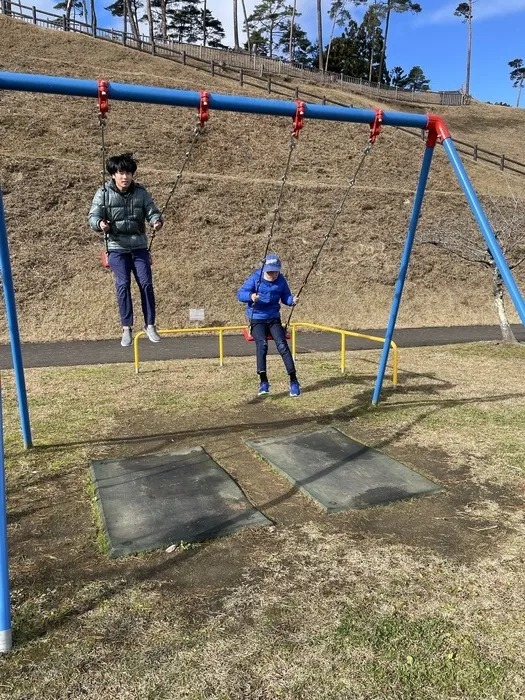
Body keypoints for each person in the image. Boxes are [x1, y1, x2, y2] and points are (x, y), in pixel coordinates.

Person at [88, 152, 163, 347]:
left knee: (146, 283)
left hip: (139, 247)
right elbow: (93, 216)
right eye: (121, 172)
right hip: (116, 247)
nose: (125, 177)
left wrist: (156, 220)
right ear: (113, 174)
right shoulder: (103, 193)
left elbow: (151, 210)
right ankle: (126, 327)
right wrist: (100, 224)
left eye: (129, 173)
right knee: (123, 284)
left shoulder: (140, 192)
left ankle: (150, 324)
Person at [237, 253, 301, 397]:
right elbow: (240, 294)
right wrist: (251, 296)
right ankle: (263, 381)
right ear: (264, 269)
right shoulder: (256, 278)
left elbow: (285, 297)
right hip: (257, 318)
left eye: (275, 271)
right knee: (262, 344)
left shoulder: (281, 280)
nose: (273, 274)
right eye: (270, 271)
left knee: (282, 345)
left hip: (273, 318)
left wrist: (292, 300)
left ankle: (294, 381)